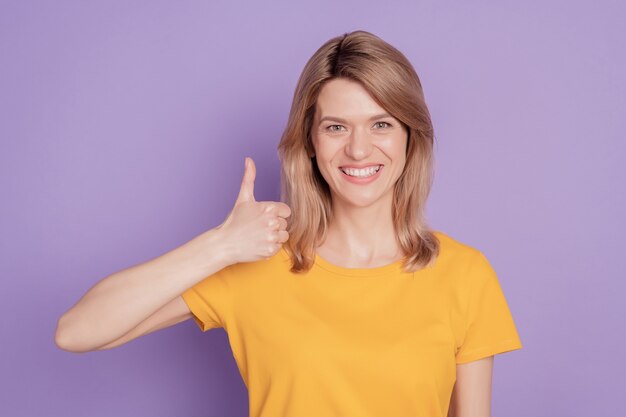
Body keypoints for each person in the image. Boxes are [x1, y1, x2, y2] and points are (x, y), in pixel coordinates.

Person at [55, 30, 522, 417]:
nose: (359, 150)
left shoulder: (464, 274)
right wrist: (220, 246)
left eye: (381, 124)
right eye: (336, 126)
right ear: (311, 142)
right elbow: (76, 331)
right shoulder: (257, 264)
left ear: (410, 139)